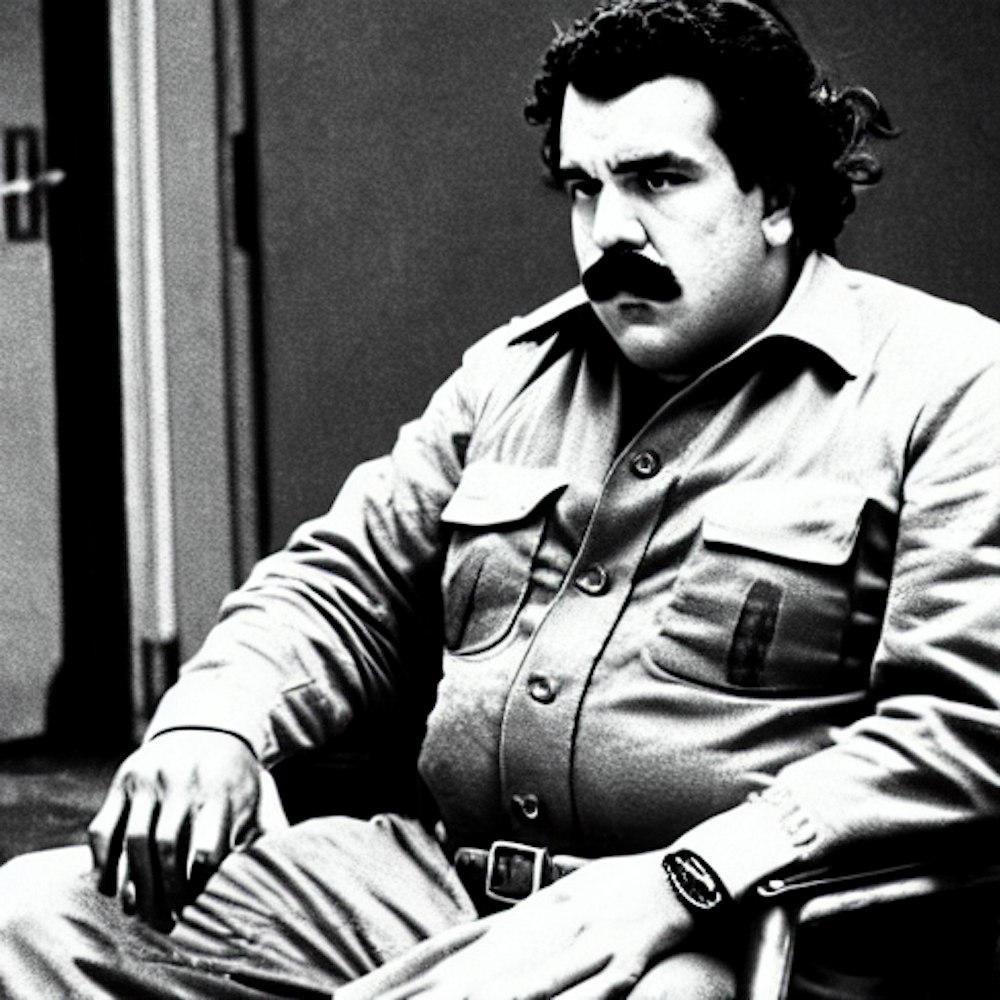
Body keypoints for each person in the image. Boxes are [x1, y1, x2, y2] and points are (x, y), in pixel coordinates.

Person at [3, 0, 1000, 996]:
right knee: (38, 920)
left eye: (658, 180)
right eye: (584, 186)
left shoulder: (948, 385)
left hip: (720, 925)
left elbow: (965, 727)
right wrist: (213, 721)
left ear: (776, 194)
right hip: (440, 888)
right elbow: (340, 586)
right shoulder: (512, 375)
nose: (611, 229)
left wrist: (691, 875)